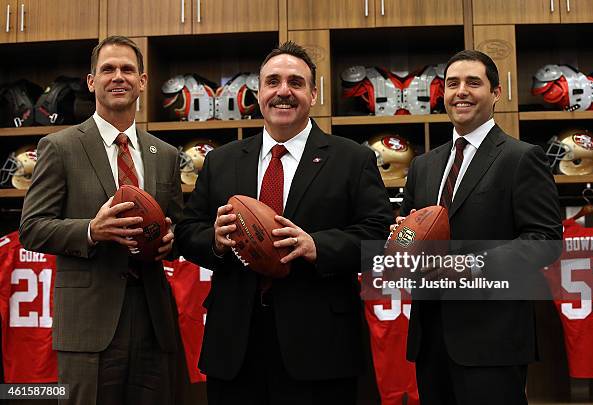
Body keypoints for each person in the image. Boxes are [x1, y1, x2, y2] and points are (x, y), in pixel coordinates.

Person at [175, 41, 393, 405]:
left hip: (321, 346)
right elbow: (186, 231)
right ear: (258, 92)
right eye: (273, 81)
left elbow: (379, 236)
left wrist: (317, 247)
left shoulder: (351, 159)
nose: (283, 91)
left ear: (313, 93)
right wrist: (214, 240)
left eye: (296, 82)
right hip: (235, 345)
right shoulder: (222, 161)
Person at [19, 36, 184, 405]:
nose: (118, 77)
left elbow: (177, 226)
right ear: (91, 82)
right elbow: (31, 228)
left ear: (143, 81)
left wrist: (173, 241)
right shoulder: (60, 147)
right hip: (88, 325)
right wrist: (92, 230)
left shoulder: (166, 154)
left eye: (127, 69)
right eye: (107, 69)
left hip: (154, 320)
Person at [396, 50, 562, 405]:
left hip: (493, 340)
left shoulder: (521, 158)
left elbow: (545, 240)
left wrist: (469, 264)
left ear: (497, 92)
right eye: (452, 84)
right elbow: (409, 239)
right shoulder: (424, 165)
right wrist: (404, 237)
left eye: (474, 82)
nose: (461, 92)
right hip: (431, 338)